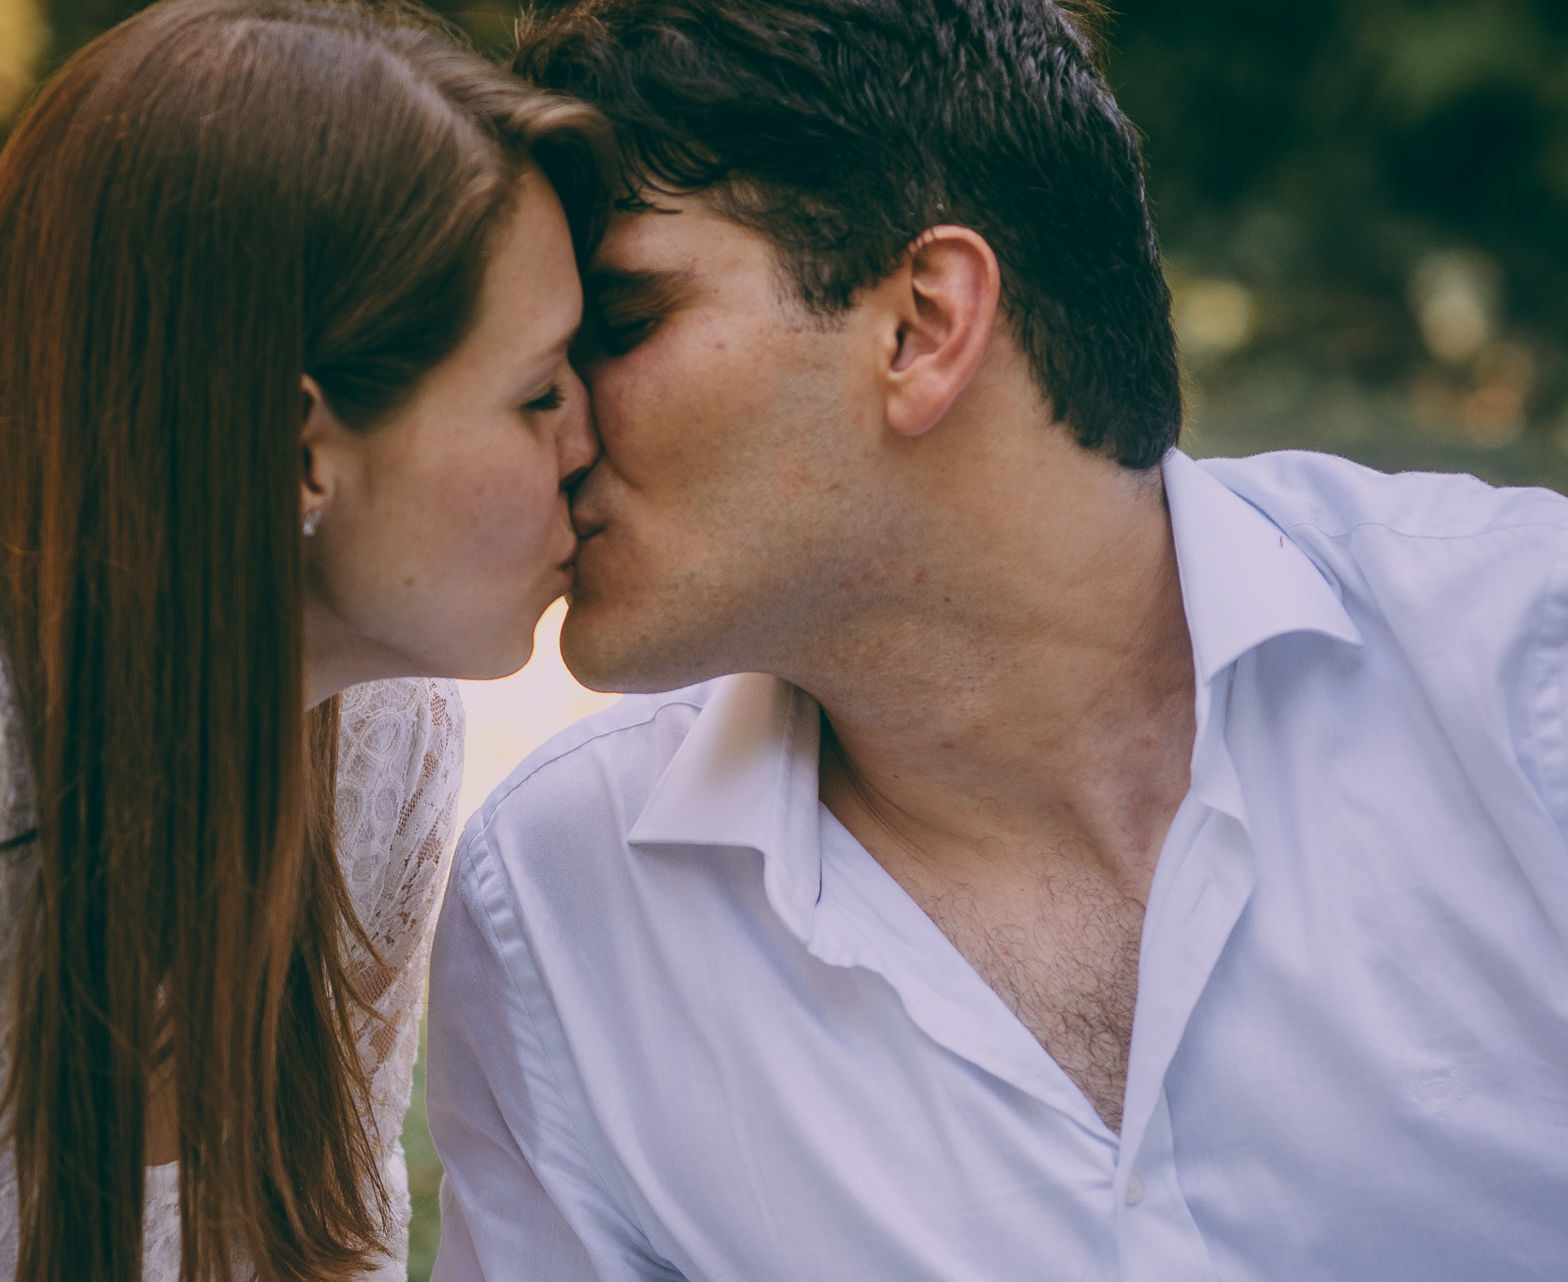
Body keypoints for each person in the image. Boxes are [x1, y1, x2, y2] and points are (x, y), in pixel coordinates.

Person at [424, 1, 1568, 1278]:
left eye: (622, 323)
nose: (550, 421)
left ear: (923, 323)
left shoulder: (1528, 665)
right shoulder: (556, 913)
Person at [0, 1, 603, 1278]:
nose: (589, 441)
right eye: (538, 391)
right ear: (297, 451)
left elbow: (340, 1245)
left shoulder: (377, 726)